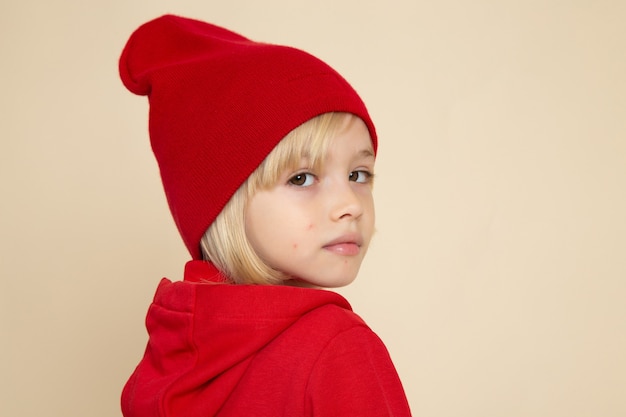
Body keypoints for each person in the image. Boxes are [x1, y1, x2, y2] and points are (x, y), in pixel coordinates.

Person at [119, 14, 412, 417]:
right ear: (226, 203)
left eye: (358, 174)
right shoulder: (337, 347)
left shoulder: (171, 354)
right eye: (302, 177)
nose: (351, 204)